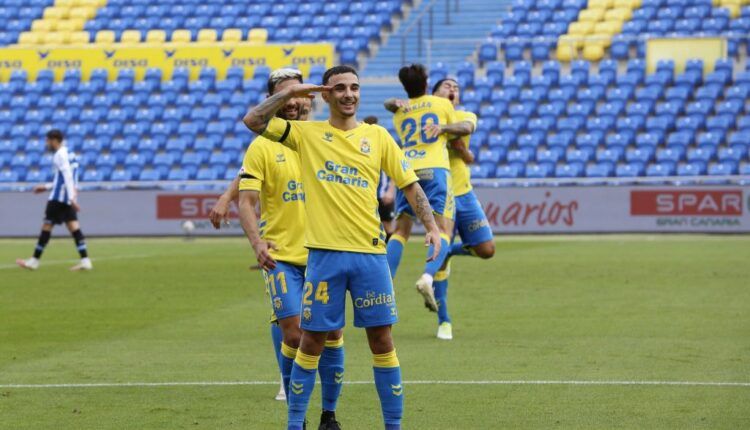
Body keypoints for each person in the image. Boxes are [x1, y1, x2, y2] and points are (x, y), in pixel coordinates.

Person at [243, 65, 442, 430]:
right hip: (324, 258)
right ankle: (295, 424)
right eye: (339, 88)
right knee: (312, 342)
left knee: (382, 341)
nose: (348, 94)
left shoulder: (378, 136)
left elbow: (410, 185)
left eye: (354, 87)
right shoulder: (306, 134)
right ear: (324, 94)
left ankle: (393, 426)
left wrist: (431, 226)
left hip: (370, 257)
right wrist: (289, 93)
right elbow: (253, 120)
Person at [213, 69, 345, 429]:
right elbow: (247, 191)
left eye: (299, 93)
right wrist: (254, 239)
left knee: (330, 335)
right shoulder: (264, 143)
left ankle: (327, 413)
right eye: (285, 95)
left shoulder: (324, 137)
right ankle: (294, 406)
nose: (294, 100)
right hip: (283, 255)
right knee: (293, 332)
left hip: (326, 253)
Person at [386, 78, 495, 339]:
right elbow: (391, 105)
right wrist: (394, 102)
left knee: (486, 250)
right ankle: (444, 322)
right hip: (439, 185)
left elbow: (469, 156)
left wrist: (449, 136)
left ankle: (449, 252)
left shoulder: (462, 116)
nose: (453, 89)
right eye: (447, 86)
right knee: (440, 241)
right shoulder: (426, 113)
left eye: (456, 87)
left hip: (462, 192)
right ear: (433, 95)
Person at [384, 64, 474, 313]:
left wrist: (393, 102)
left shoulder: (400, 112)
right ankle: (427, 276)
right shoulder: (441, 105)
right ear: (427, 84)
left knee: (401, 231)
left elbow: (389, 104)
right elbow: (459, 133)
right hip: (435, 169)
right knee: (442, 229)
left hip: (407, 169)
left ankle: (386, 280)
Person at [16, 129, 92, 271]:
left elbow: (67, 176)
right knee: (74, 227)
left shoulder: (59, 155)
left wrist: (71, 197)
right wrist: (46, 187)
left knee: (47, 227)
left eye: (48, 140)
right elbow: (65, 179)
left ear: (54, 140)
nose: (47, 143)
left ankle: (34, 261)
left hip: (58, 198)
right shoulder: (70, 153)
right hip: (67, 197)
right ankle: (86, 260)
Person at [363, 116, 396, 239]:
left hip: (383, 195)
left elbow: (394, 168)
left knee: (388, 228)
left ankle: (389, 257)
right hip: (365, 194)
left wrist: (390, 190)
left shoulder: (383, 144)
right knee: (367, 229)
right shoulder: (360, 145)